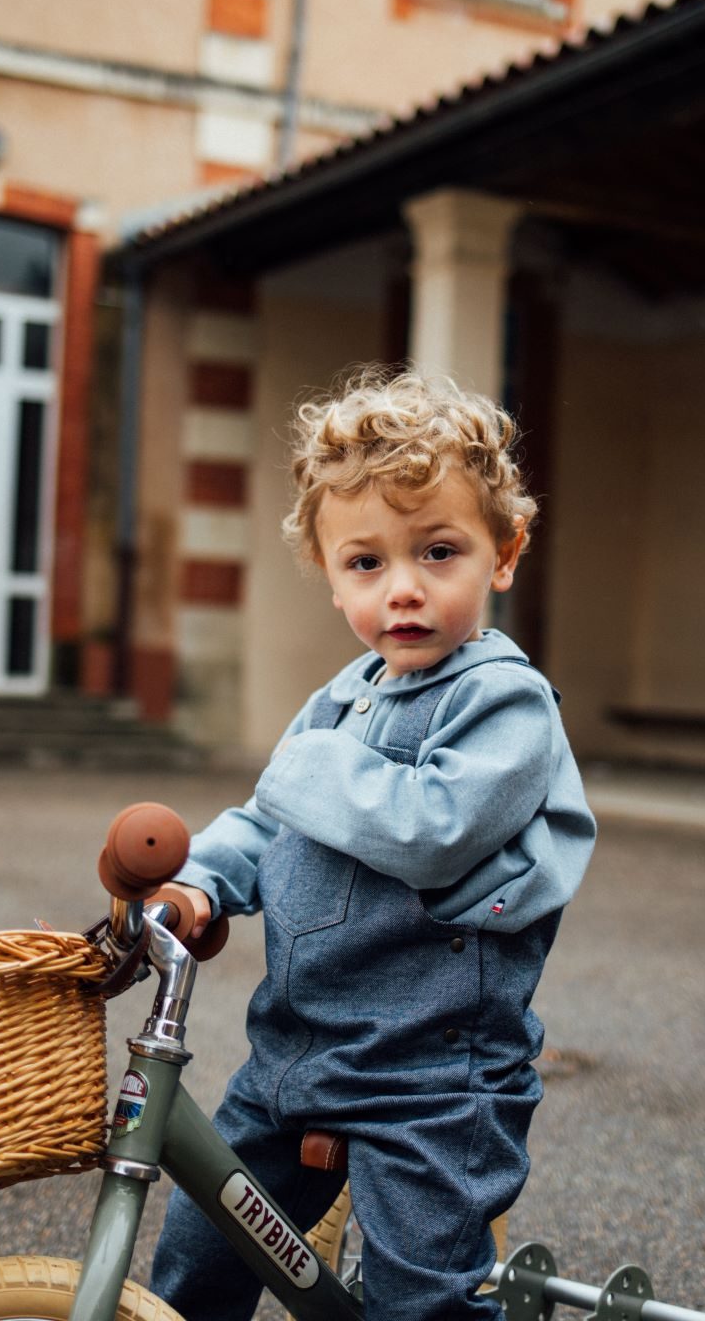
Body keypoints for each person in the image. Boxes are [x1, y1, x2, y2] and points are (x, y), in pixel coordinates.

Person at [147, 369, 596, 1321]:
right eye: (366, 563)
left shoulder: (504, 701)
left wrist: (306, 769)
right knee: (196, 1268)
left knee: (417, 1306)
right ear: (324, 566)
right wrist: (199, 886)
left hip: (433, 1080)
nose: (404, 590)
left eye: (439, 552)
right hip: (294, 1058)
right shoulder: (341, 701)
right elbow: (268, 822)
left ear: (503, 554)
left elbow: (433, 830)